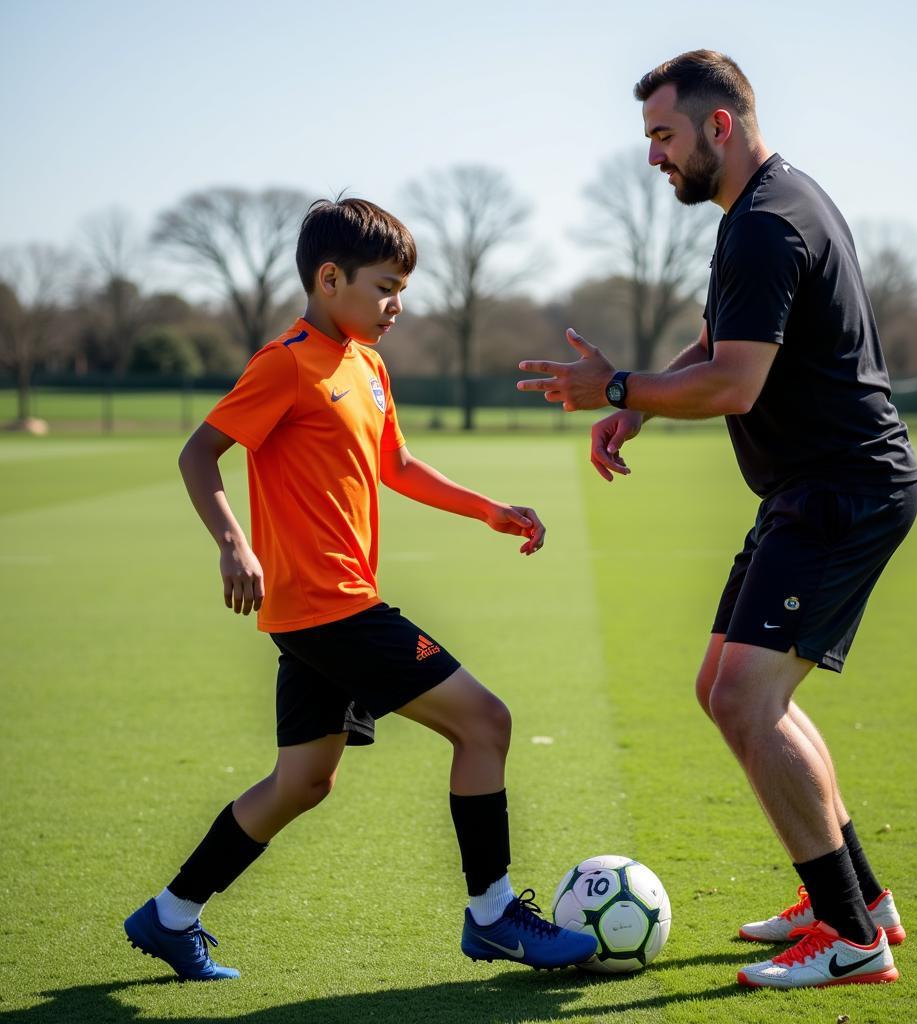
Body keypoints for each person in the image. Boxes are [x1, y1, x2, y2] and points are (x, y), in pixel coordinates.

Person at [517, 50, 917, 990]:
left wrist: (611, 384)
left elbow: (738, 383)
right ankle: (856, 900)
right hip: (809, 489)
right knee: (724, 687)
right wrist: (643, 403)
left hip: (841, 488)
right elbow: (722, 340)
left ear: (719, 125)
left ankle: (850, 938)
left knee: (747, 697)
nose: (654, 156)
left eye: (663, 135)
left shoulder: (770, 223)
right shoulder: (768, 206)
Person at [123, 197, 597, 981]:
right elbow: (198, 455)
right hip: (331, 607)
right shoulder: (285, 361)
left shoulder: (367, 365)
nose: (397, 306)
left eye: (402, 289)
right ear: (330, 277)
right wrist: (233, 544)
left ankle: (170, 915)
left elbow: (397, 465)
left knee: (304, 780)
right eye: (385, 287)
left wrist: (489, 510)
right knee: (485, 724)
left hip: (322, 613)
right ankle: (492, 913)